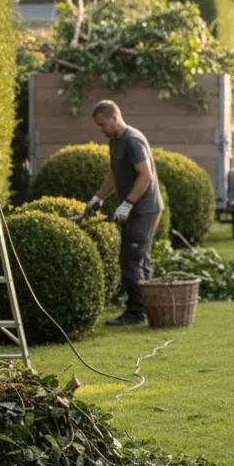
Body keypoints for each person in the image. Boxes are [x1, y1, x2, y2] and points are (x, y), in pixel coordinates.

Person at [82, 100, 164, 326]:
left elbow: (145, 176)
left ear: (114, 117)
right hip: (135, 208)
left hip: (145, 209)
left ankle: (136, 314)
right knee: (139, 259)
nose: (101, 130)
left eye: (102, 124)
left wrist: (127, 204)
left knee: (132, 261)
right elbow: (113, 175)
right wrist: (98, 198)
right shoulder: (116, 142)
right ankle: (149, 309)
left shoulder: (132, 140)